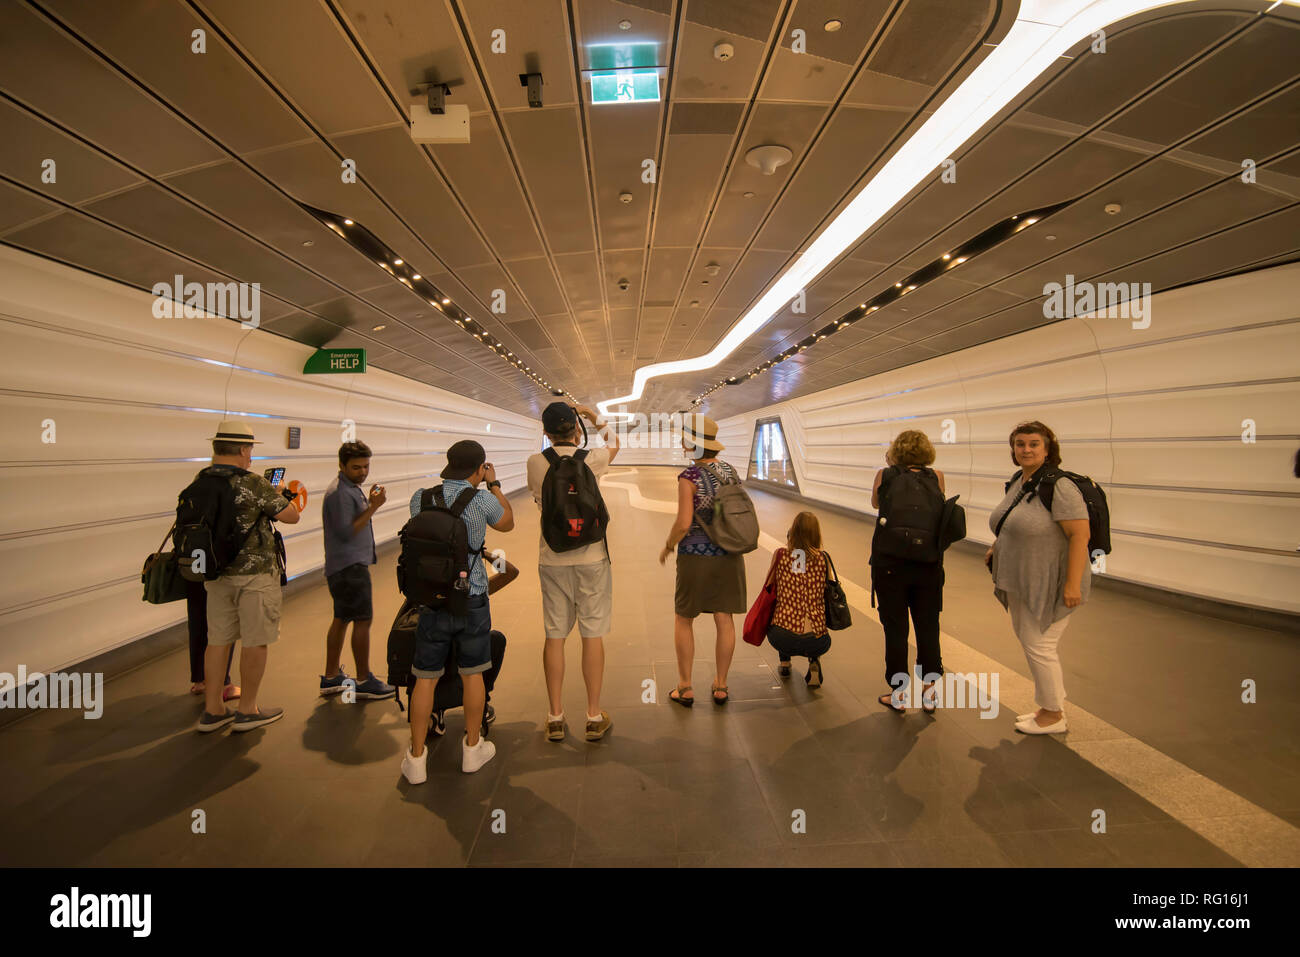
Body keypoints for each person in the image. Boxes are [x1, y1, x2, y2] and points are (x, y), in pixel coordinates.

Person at [401, 440, 514, 782]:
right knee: (473, 673)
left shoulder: (420, 498)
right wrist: (494, 485)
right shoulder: (481, 500)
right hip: (472, 597)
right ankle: (472, 748)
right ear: (479, 468)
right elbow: (507, 522)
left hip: (431, 599)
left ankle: (417, 758)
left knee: (424, 677)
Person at [986, 421, 1091, 735]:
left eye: (1033, 444)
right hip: (1022, 577)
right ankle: (1048, 706)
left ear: (1048, 450)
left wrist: (1072, 585)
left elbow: (1079, 536)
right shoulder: (1021, 480)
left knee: (1040, 645)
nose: (1026, 450)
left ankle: (1054, 715)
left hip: (1050, 580)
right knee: (1032, 642)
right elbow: (1013, 522)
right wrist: (997, 546)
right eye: (1020, 444)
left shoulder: (1059, 486)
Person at [196, 420, 300, 732]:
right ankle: (247, 710)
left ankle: (213, 710)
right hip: (254, 574)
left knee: (218, 641)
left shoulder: (201, 479)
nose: (251, 456)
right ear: (243, 449)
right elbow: (291, 516)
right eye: (250, 449)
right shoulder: (253, 483)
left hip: (215, 574)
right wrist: (281, 494)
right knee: (255, 640)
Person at [526, 402, 619, 742]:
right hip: (592, 556)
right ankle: (593, 716)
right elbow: (614, 443)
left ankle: (555, 716)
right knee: (592, 634)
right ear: (577, 430)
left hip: (552, 558)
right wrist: (593, 416)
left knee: (555, 634)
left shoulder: (535, 463)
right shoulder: (591, 460)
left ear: (546, 433)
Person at [658, 414, 745, 706]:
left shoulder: (689, 477)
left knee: (684, 618)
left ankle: (685, 687)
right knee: (724, 618)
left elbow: (684, 523)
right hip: (729, 554)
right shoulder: (731, 471)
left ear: (691, 444)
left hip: (695, 556)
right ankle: (721, 685)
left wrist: (668, 546)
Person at [870, 431, 947, 714]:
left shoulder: (885, 475)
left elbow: (876, 504)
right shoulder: (936, 476)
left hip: (890, 565)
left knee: (896, 629)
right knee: (928, 627)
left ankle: (899, 694)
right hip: (927, 565)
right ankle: (929, 693)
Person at [319, 441, 394, 701]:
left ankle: (330, 676)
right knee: (362, 620)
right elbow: (347, 531)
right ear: (341, 465)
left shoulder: (350, 489)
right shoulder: (341, 493)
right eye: (356, 467)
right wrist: (374, 506)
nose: (362, 472)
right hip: (349, 568)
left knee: (342, 618)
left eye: (365, 466)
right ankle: (363, 680)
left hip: (343, 566)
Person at [765, 511, 832, 687]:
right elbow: (830, 587)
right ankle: (814, 661)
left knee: (781, 613)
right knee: (812, 621)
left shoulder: (781, 555)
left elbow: (769, 586)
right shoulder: (823, 558)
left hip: (782, 637)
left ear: (792, 532)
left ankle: (785, 662)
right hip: (817, 640)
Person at [186, 578, 238, 702]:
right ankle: (223, 684)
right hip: (217, 567)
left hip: (194, 564)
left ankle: (200, 681)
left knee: (197, 614)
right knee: (224, 621)